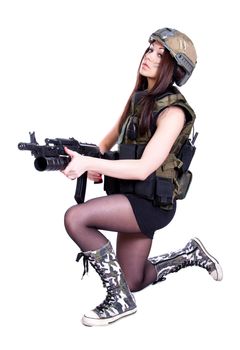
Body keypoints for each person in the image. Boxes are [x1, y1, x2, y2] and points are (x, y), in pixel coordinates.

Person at [62, 27, 223, 327]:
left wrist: (91, 163)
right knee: (134, 278)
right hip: (131, 196)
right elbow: (106, 144)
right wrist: (82, 160)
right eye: (150, 49)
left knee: (75, 218)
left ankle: (119, 299)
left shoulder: (174, 112)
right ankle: (188, 254)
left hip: (151, 205)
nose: (150, 57)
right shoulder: (138, 99)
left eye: (162, 56)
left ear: (175, 69)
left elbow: (143, 168)